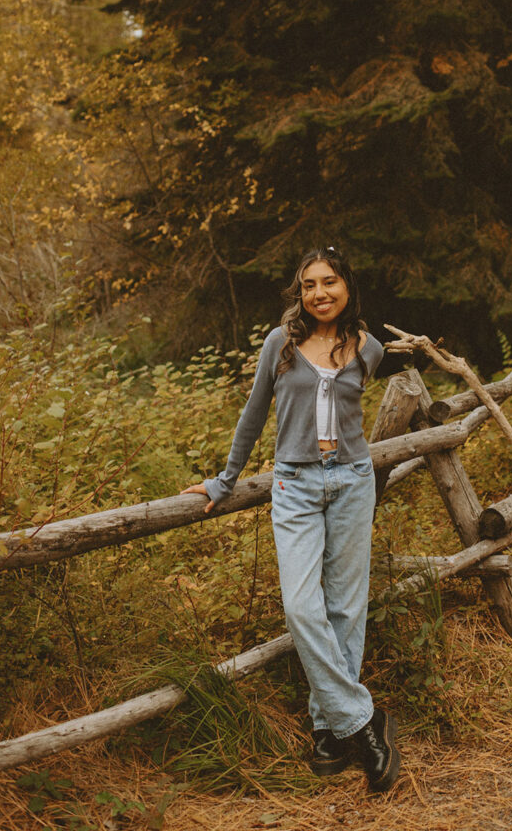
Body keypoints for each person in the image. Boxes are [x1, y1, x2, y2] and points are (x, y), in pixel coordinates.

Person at [181, 246, 401, 792]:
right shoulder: (281, 344)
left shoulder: (368, 349)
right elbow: (255, 412)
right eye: (309, 285)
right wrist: (225, 479)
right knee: (303, 607)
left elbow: (350, 413)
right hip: (296, 486)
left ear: (347, 286)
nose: (319, 293)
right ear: (299, 293)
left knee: (347, 607)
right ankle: (365, 722)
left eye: (330, 282)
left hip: (352, 480)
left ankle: (327, 728)